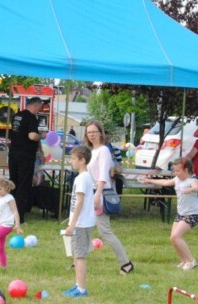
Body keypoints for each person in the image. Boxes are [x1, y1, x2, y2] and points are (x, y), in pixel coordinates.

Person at [84, 120, 134, 274]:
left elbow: (103, 175)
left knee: (104, 231)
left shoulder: (104, 150)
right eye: (89, 132)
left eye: (94, 131)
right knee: (82, 229)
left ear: (101, 133)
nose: (91, 135)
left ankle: (126, 263)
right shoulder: (90, 151)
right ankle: (78, 260)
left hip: (100, 193)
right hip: (89, 193)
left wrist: (98, 195)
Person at [139, 157, 198, 271]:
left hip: (192, 214)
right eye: (175, 171)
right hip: (181, 213)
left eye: (178, 171)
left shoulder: (192, 180)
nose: (176, 173)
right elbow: (165, 182)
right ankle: (183, 261)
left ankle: (191, 261)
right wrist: (150, 180)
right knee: (173, 239)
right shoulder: (177, 179)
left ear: (187, 170)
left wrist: (190, 190)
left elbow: (197, 188)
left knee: (176, 237)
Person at [63, 146, 95, 298]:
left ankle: (81, 289)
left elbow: (79, 201)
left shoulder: (82, 178)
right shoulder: (85, 177)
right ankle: (78, 285)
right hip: (83, 222)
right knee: (76, 255)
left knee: (79, 256)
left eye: (74, 159)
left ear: (82, 160)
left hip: (81, 223)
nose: (72, 162)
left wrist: (72, 224)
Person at [8, 97, 42, 223]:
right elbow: (32, 136)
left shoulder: (17, 116)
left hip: (13, 153)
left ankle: (10, 214)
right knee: (23, 185)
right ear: (35, 105)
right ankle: (19, 217)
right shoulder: (31, 117)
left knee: (13, 183)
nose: (39, 110)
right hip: (25, 155)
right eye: (39, 108)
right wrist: (41, 136)